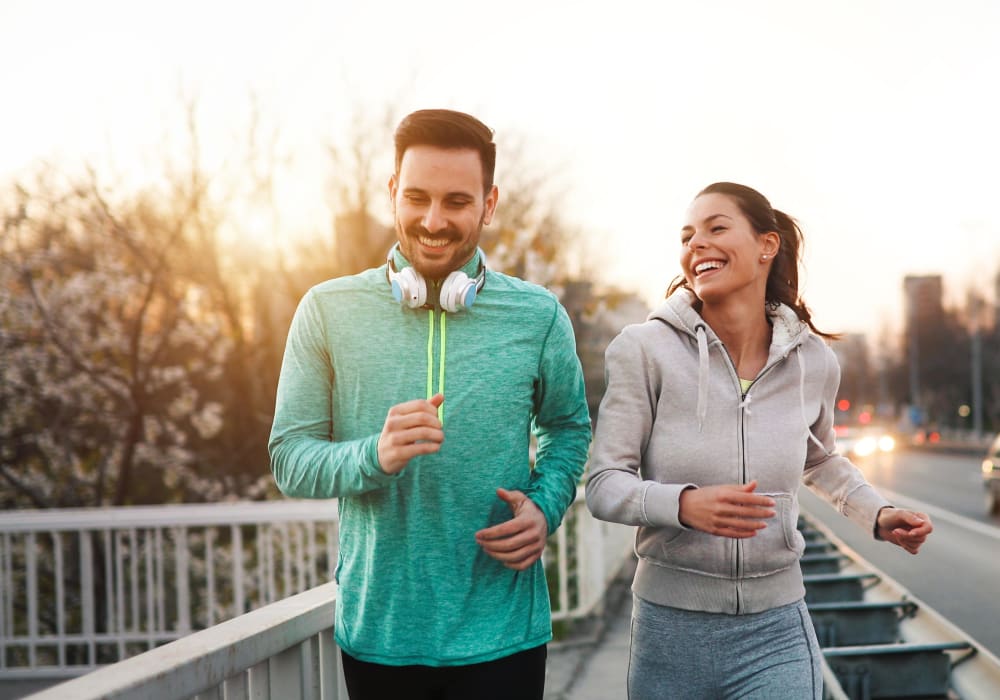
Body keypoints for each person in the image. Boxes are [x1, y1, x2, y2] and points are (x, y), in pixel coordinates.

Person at [268, 108, 592, 700]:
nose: (433, 220)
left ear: (489, 205)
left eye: (457, 202)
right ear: (392, 193)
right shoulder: (325, 310)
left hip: (505, 637)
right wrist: (375, 455)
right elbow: (290, 457)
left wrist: (546, 507)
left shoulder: (540, 315)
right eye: (416, 197)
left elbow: (568, 428)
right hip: (380, 636)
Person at [585, 182, 933, 700]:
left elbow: (821, 460)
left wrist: (877, 514)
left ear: (766, 245)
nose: (696, 244)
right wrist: (682, 504)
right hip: (671, 629)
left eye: (716, 228)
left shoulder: (814, 360)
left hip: (777, 626)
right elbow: (603, 484)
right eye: (687, 236)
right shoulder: (643, 349)